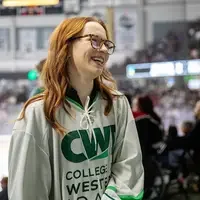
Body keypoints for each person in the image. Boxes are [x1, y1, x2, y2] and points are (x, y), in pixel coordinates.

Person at [8, 17, 144, 200]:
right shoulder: (37, 113)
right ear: (67, 46)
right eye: (94, 41)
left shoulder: (117, 104)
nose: (103, 49)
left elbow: (129, 167)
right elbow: (27, 191)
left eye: (106, 44)